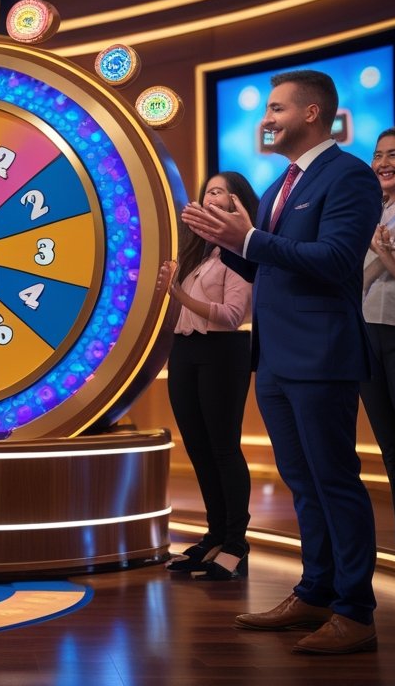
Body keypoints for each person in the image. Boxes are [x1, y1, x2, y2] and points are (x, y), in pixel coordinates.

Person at [181, 70, 380, 655]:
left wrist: (248, 242)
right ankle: (315, 590)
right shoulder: (277, 187)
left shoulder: (350, 177)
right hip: (274, 362)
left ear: (312, 113)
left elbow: (337, 259)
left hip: (320, 356)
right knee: (302, 483)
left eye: (275, 108)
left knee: (335, 482)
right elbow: (264, 266)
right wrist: (223, 241)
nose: (265, 118)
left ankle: (355, 610)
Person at [158, 173, 256, 580]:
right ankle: (214, 535)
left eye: (219, 192)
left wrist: (176, 293)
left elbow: (231, 317)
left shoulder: (241, 252)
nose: (210, 198)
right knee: (197, 447)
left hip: (223, 352)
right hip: (186, 350)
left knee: (223, 448)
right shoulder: (196, 251)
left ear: (237, 203)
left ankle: (236, 542)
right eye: (207, 192)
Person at [361, 126, 395, 546]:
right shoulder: (371, 211)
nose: (384, 164)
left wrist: (384, 253)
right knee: (389, 442)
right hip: (367, 332)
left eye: (394, 155)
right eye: (379, 156)